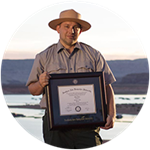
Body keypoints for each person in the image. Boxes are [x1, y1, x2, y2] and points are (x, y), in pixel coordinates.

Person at [26, 9, 116, 149]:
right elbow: (33, 90)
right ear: (58, 28)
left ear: (80, 31)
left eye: (76, 27)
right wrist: (40, 83)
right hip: (55, 125)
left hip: (88, 123)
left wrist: (112, 114)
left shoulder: (94, 55)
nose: (71, 31)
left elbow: (107, 86)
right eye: (67, 26)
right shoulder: (43, 57)